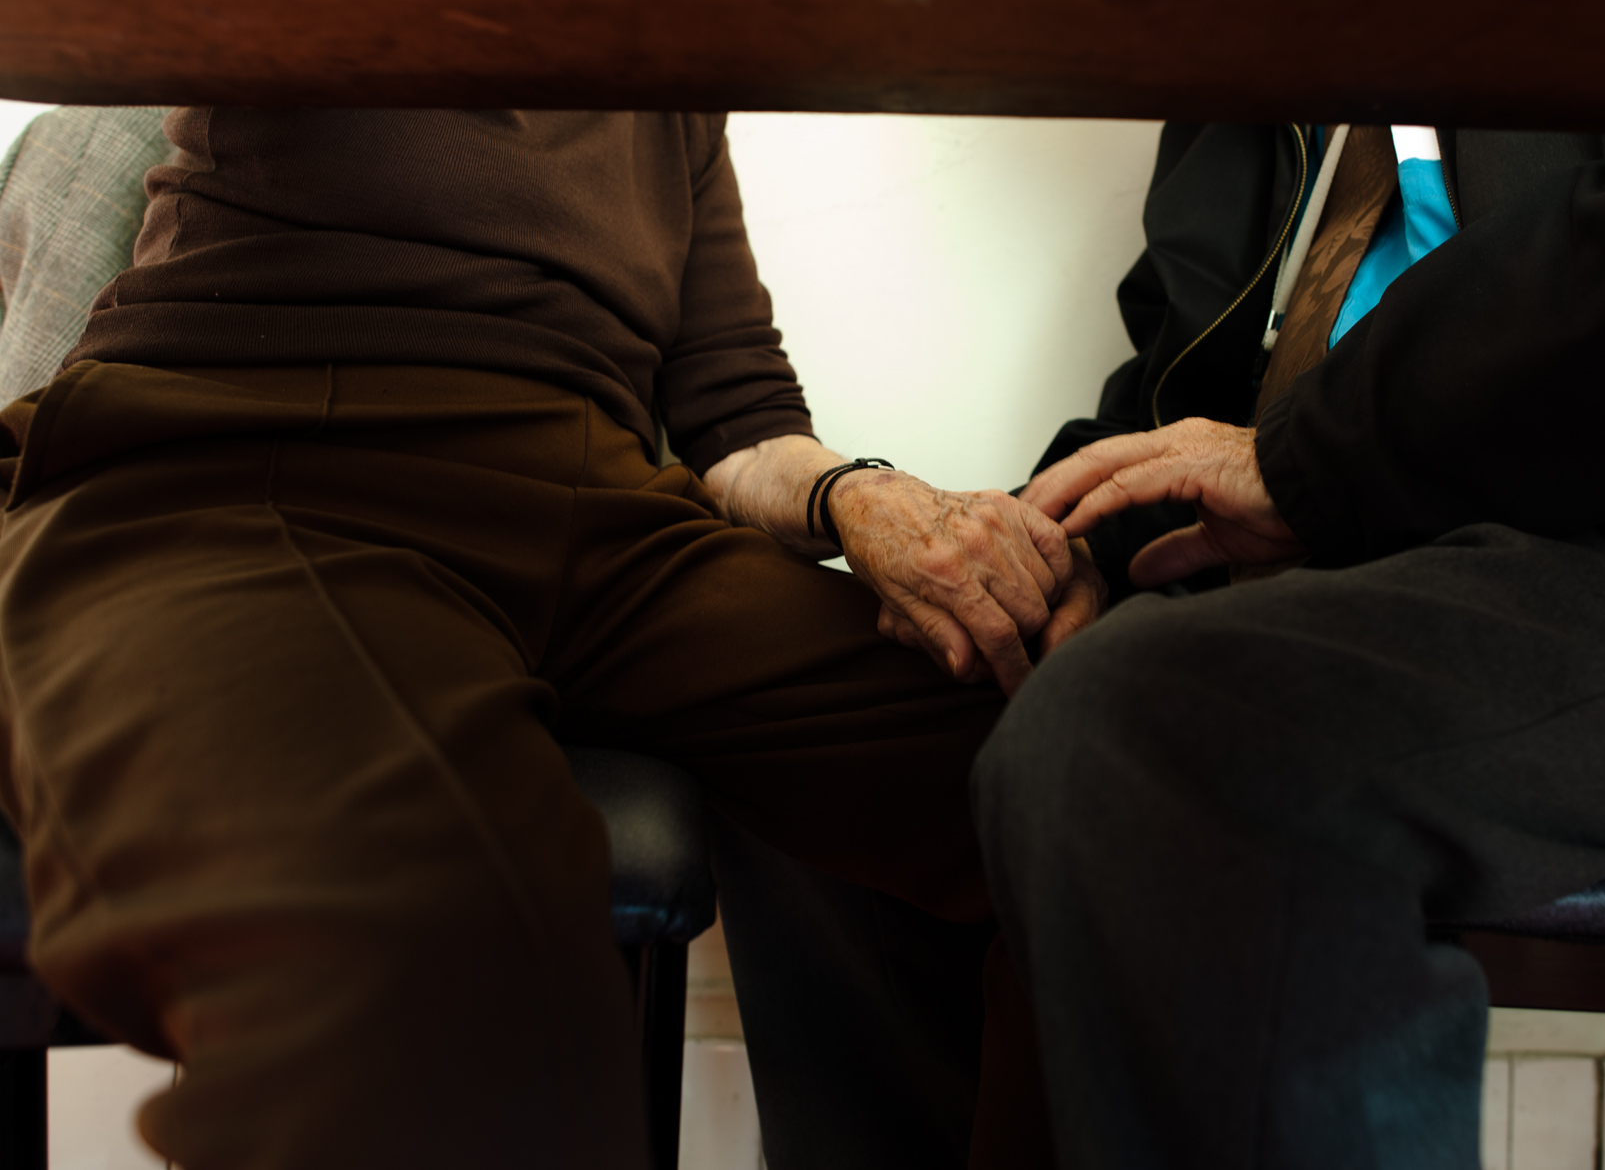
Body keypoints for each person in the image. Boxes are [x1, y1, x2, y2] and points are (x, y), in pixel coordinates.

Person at [0, 107, 1106, 1170]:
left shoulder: (667, 69)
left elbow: (740, 413)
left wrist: (865, 500)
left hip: (605, 513)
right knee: (417, 934)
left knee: (1082, 776)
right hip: (268, 442)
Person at [975, 123, 1605, 1168]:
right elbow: (1177, 378)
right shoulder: (1262, 52)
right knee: (919, 681)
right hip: (1312, 538)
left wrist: (1307, 458)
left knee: (1154, 730)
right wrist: (1049, 544)